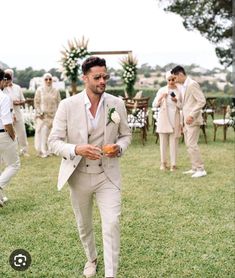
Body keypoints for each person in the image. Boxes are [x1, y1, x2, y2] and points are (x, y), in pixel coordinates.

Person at [48, 56, 131, 278]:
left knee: (112, 223)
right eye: (97, 77)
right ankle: (91, 259)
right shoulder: (68, 105)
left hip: (108, 175)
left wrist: (119, 148)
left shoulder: (117, 104)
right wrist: (76, 149)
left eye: (105, 76)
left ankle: (110, 274)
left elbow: (126, 135)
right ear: (85, 78)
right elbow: (53, 141)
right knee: (84, 225)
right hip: (79, 175)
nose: (103, 81)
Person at [171, 65, 207, 178]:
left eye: (175, 78)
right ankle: (194, 168)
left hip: (193, 120)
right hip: (186, 121)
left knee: (192, 144)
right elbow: (184, 105)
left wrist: (192, 115)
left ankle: (201, 169)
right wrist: (176, 101)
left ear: (180, 75)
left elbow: (201, 101)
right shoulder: (183, 87)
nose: (174, 80)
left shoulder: (192, 84)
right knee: (189, 145)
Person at [152, 71, 182, 171]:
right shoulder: (162, 90)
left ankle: (173, 164)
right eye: (169, 80)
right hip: (164, 119)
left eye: (173, 79)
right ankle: (163, 164)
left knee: (174, 142)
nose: (171, 81)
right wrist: (161, 97)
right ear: (167, 80)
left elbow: (182, 106)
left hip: (175, 119)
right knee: (163, 143)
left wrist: (176, 101)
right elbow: (154, 104)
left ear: (175, 79)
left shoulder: (179, 90)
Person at [0, 68, 20, 207]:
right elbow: (7, 121)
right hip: (3, 134)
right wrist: (13, 135)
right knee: (14, 164)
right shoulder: (3, 97)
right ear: (1, 80)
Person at [34, 73, 61, 158]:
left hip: (54, 115)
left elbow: (59, 102)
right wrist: (39, 113)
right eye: (46, 79)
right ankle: (43, 151)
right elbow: (36, 103)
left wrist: (59, 114)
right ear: (43, 80)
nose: (48, 81)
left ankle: (51, 150)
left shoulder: (56, 90)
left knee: (52, 134)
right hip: (43, 116)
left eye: (50, 79)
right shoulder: (39, 90)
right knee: (43, 133)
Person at [4, 69, 30, 157]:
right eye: (8, 74)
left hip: (18, 114)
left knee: (22, 133)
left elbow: (23, 100)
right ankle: (11, 153)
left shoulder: (17, 87)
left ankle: (24, 151)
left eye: (11, 74)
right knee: (8, 135)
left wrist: (19, 102)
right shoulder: (3, 88)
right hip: (8, 115)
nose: (10, 76)